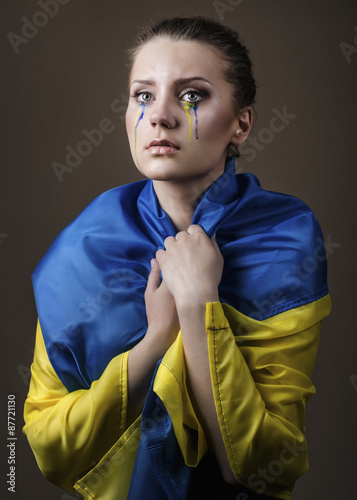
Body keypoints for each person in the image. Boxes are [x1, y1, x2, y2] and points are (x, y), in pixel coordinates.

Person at [23, 16, 331, 500]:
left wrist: (198, 304)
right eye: (143, 96)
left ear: (241, 124)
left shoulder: (283, 239)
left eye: (191, 96)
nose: (160, 116)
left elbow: (261, 465)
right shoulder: (85, 244)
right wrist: (155, 343)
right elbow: (49, 448)